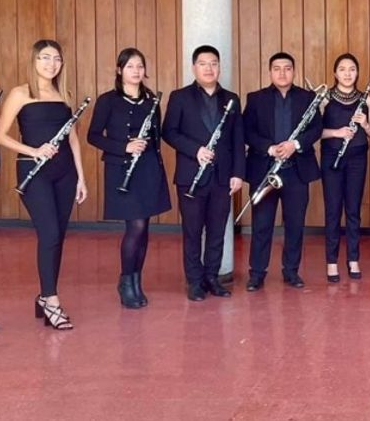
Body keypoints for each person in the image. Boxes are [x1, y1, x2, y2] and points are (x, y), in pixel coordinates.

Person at [0, 40, 88, 330]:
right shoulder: (21, 93)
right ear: (34, 61)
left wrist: (82, 176)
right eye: (45, 58)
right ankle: (51, 299)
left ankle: (45, 295)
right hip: (33, 172)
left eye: (56, 58)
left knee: (57, 235)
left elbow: (71, 139)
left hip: (65, 173)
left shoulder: (65, 94)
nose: (51, 64)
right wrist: (33, 151)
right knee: (48, 233)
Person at [88, 48, 172, 308]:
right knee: (134, 227)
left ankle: (137, 280)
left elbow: (156, 139)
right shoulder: (108, 101)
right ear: (119, 70)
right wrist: (123, 146)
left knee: (144, 228)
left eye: (139, 66)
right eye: (130, 66)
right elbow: (93, 136)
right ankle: (125, 281)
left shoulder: (151, 101)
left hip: (147, 169)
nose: (136, 71)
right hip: (122, 169)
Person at [162, 45, 244, 301]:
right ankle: (194, 281)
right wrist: (195, 150)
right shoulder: (179, 97)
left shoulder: (232, 98)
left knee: (218, 231)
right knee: (192, 231)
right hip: (190, 176)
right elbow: (169, 132)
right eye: (203, 63)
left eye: (214, 63)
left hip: (222, 177)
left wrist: (238, 173)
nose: (209, 68)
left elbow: (237, 139)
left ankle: (212, 278)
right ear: (193, 67)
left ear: (219, 67)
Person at [243, 52, 324, 290]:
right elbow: (247, 131)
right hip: (265, 170)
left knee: (295, 224)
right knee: (261, 224)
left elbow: (316, 128)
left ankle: (291, 271)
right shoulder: (256, 98)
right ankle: (257, 273)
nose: (282, 73)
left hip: (296, 171)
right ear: (270, 72)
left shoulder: (308, 98)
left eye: (287, 68)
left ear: (294, 71)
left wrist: (294, 145)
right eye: (277, 68)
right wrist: (269, 149)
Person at [319, 54, 370, 283]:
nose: (347, 73)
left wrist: (364, 123)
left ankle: (353, 259)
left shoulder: (367, 99)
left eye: (352, 69)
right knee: (333, 210)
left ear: (357, 72)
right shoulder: (325, 100)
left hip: (357, 158)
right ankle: (331, 262)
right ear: (335, 73)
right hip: (331, 158)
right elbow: (314, 133)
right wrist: (337, 132)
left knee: (353, 210)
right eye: (342, 69)